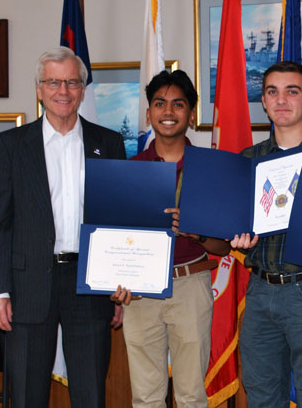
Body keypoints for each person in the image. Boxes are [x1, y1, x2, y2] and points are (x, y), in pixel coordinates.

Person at [0, 47, 127, 407]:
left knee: (91, 394)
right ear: (39, 89)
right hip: (27, 286)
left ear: (82, 89)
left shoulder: (108, 144)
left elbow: (117, 220)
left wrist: (121, 280)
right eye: (53, 82)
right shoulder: (10, 145)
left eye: (72, 82)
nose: (63, 90)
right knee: (28, 397)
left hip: (90, 285)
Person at [109, 70, 231, 408]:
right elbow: (113, 240)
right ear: (148, 114)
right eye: (159, 104)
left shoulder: (209, 170)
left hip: (191, 284)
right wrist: (114, 281)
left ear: (191, 115)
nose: (168, 111)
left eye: (178, 104)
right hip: (140, 293)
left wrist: (198, 232)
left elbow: (224, 247)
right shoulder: (130, 170)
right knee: (146, 397)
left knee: (191, 395)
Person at [228, 61, 302, 407]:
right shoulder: (247, 160)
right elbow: (238, 226)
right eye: (272, 92)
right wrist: (239, 239)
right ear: (263, 101)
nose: (281, 100)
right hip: (261, 291)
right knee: (262, 394)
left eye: (292, 91)